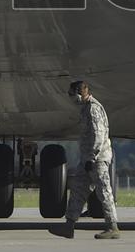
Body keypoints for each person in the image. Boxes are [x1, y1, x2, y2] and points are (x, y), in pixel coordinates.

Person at [49, 80, 120, 239]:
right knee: (78, 190)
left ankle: (112, 227)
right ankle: (69, 225)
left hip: (97, 159)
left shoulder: (93, 109)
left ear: (80, 94)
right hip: (88, 158)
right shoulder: (85, 108)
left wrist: (91, 157)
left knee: (104, 192)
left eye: (71, 94)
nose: (71, 98)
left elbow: (98, 135)